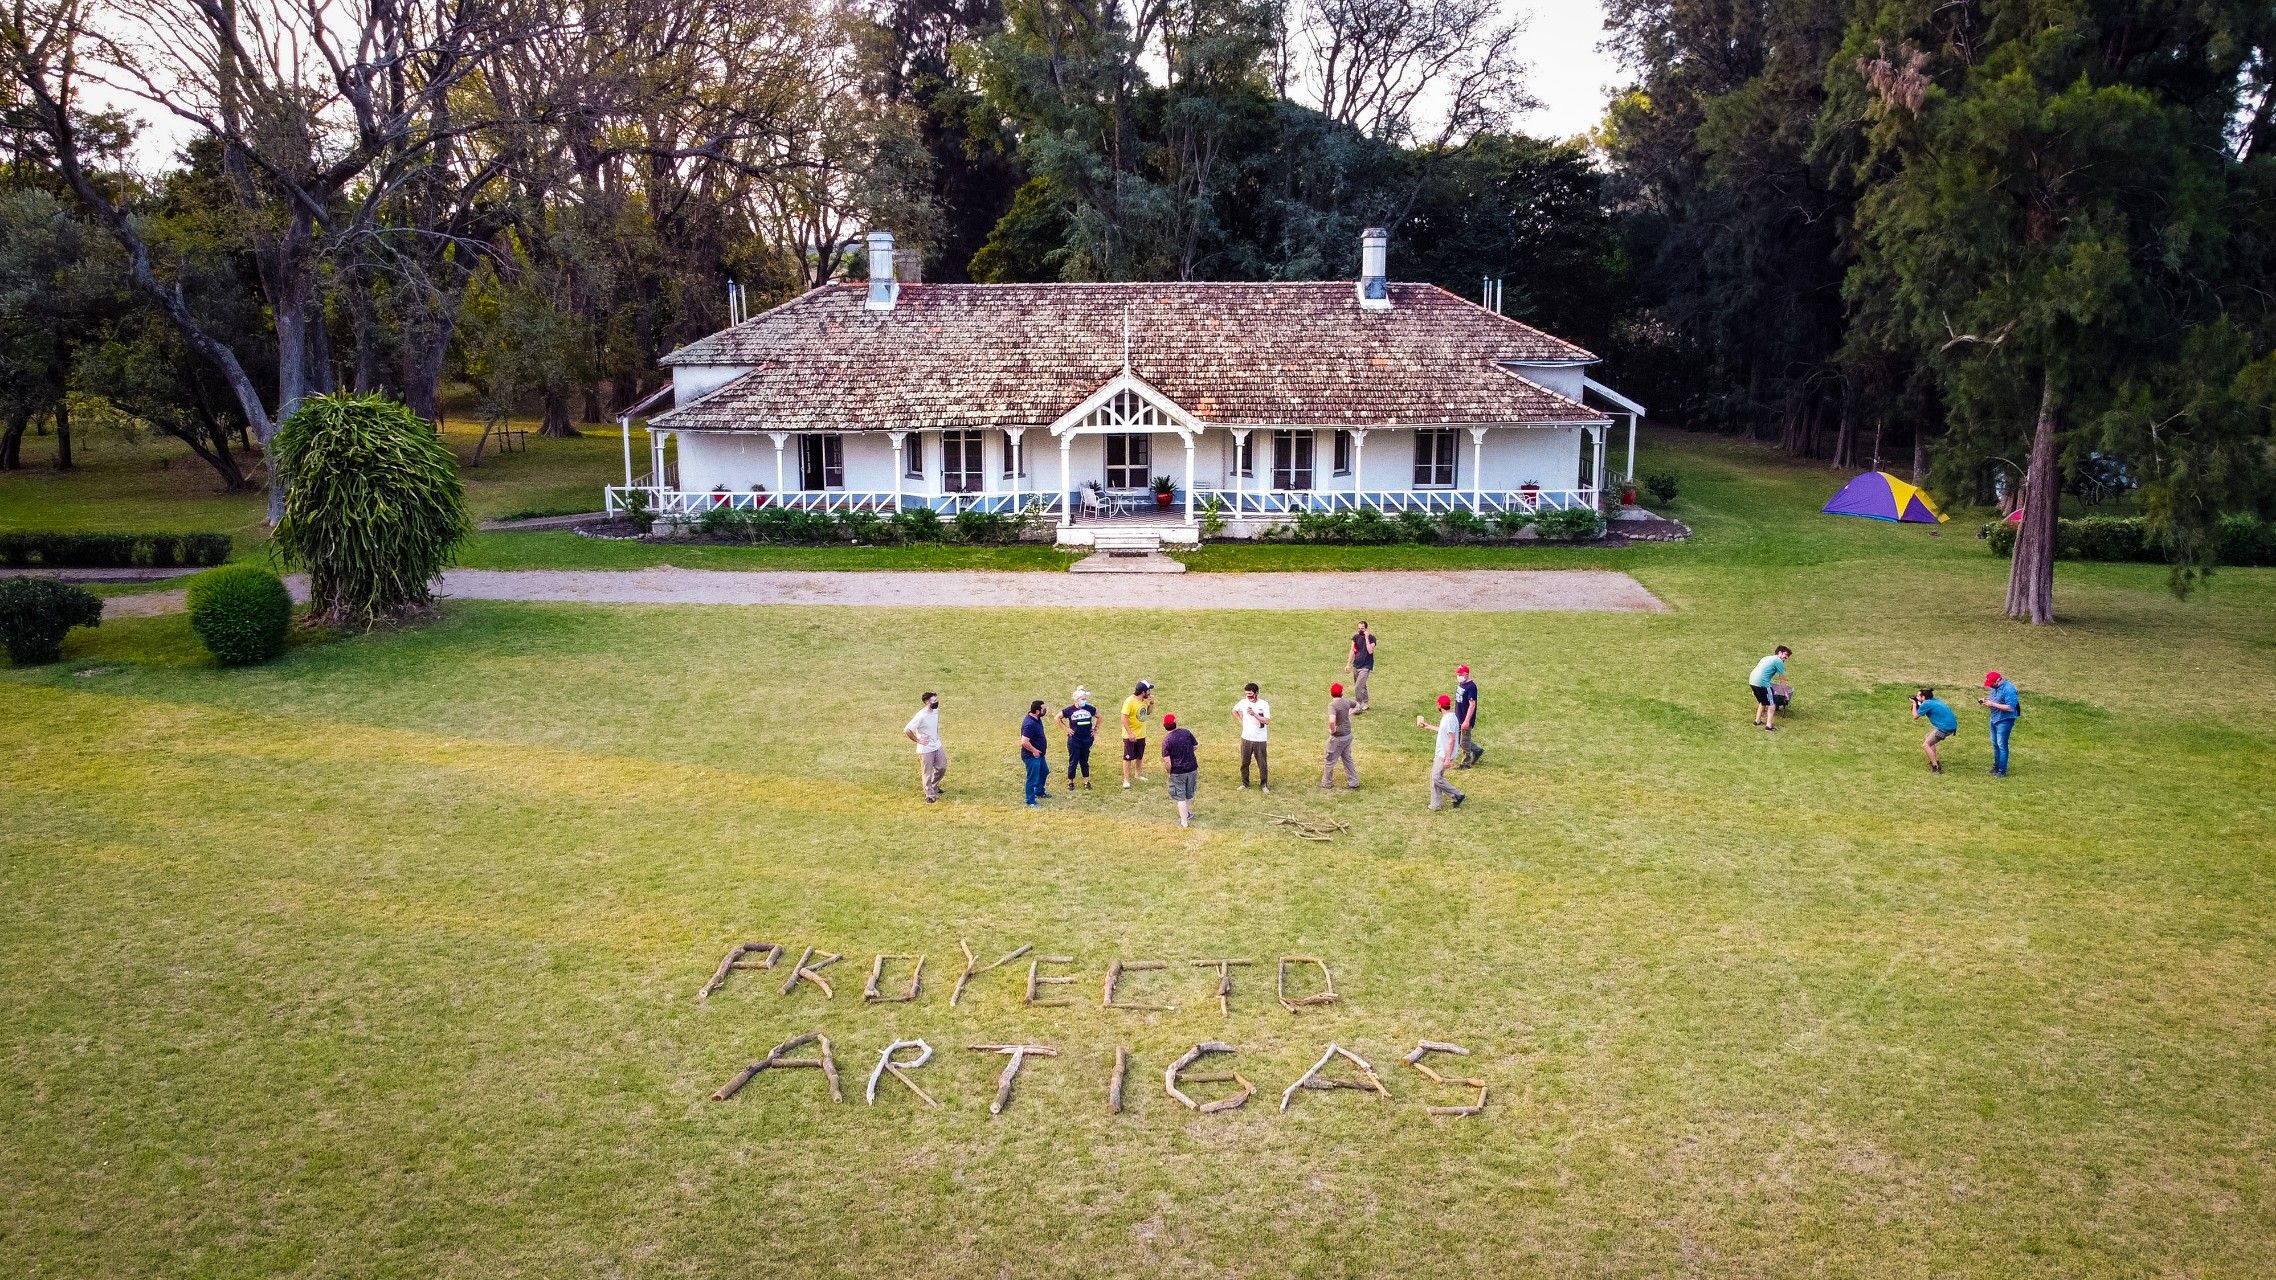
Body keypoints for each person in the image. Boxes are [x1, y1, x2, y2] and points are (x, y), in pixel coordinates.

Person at [1416, 694, 1466, 810]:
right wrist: (1428, 726)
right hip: (1443, 752)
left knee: (1436, 777)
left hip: (1444, 754)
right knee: (1436, 776)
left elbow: (1452, 739)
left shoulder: (1448, 719)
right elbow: (1443, 731)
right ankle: (1435, 804)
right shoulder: (1451, 716)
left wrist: (1448, 758)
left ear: (1439, 705)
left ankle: (1457, 794)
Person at [903, 691, 946, 803]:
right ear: (927, 702)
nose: (936, 702)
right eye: (934, 700)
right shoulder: (921, 716)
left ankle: (934, 786)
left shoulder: (935, 710)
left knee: (942, 767)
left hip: (937, 745)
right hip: (926, 749)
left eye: (936, 699)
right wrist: (918, 740)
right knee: (927, 772)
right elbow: (907, 730)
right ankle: (930, 795)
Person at [1978, 670, 2021, 777]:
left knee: (2002, 745)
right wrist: (1986, 701)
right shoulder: (1994, 687)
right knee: (1995, 744)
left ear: (1998, 680)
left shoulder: (2009, 689)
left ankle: (2002, 770)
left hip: (2005, 720)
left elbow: (2011, 707)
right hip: (1994, 718)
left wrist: (1992, 704)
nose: (1990, 687)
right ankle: (1996, 767)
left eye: (1991, 684)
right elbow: (1996, 700)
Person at [1161, 712, 1200, 828]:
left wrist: (1169, 772)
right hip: (1192, 769)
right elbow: (1196, 746)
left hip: (1178, 772)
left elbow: (1167, 761)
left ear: (1165, 726)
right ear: (1175, 723)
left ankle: (1184, 821)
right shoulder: (1186, 732)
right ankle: (1187, 814)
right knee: (1189, 794)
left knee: (1180, 797)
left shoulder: (1167, 741)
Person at [1058, 687, 1101, 792]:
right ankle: (1070, 782)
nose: (1084, 701)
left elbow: (1100, 717)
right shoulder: (1069, 710)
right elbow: (1057, 717)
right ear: (1076, 699)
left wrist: (1095, 729)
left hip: (1086, 740)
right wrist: (1066, 729)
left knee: (1084, 761)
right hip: (1074, 740)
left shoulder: (1090, 709)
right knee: (1073, 761)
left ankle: (1086, 781)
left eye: (1085, 699)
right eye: (1083, 699)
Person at [1233, 681, 1272, 792]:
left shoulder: (1263, 704)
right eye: (1247, 694)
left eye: (1251, 694)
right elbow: (1234, 711)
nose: (1249, 696)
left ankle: (1264, 784)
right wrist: (1241, 721)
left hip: (1260, 739)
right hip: (1246, 738)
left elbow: (1267, 721)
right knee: (1244, 762)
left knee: (1262, 763)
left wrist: (1254, 714)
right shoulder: (1243, 702)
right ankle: (1245, 783)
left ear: (1256, 693)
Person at [1911, 686, 1959, 774]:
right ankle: (1935, 760)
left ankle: (1935, 767)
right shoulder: (1934, 700)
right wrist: (1918, 702)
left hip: (1945, 728)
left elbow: (1915, 716)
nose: (1917, 697)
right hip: (1951, 725)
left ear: (1923, 697)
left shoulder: (1926, 704)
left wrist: (1914, 704)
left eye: (1918, 696)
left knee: (1926, 745)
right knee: (1928, 739)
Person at [1321, 681, 1359, 789]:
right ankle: (1353, 782)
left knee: (1330, 759)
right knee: (1347, 759)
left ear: (1331, 694)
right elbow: (1357, 705)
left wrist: (1332, 730)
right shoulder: (1346, 702)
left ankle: (1326, 782)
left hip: (1338, 737)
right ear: (1342, 692)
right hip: (1348, 735)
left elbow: (1332, 720)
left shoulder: (1332, 705)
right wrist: (1349, 713)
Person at [1120, 680, 1155, 789]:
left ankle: (1138, 774)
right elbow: (1124, 717)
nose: (1150, 692)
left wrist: (1152, 703)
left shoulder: (1145, 700)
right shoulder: (1129, 701)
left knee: (1139, 755)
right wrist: (1130, 733)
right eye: (1148, 690)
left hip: (1141, 734)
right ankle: (1126, 780)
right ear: (1143, 692)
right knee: (1128, 757)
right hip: (1130, 735)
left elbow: (1148, 713)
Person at [1749, 645, 1792, 731]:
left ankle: (1757, 721)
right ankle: (1768, 726)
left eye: (1788, 656)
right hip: (1762, 683)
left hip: (1752, 681)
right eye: (1785, 655)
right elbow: (1782, 679)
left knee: (1763, 701)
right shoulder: (1778, 661)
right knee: (1772, 704)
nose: (1786, 658)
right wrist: (1786, 693)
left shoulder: (1766, 657)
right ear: (1779, 652)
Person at [1019, 700, 1050, 807]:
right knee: (1032, 778)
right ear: (1037, 711)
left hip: (1039, 755)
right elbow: (1024, 742)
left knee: (1044, 771)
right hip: (1032, 756)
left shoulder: (1037, 719)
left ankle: (1039, 791)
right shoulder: (1030, 724)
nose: (1045, 710)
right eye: (1043, 709)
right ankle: (1030, 801)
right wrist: (1034, 751)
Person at [1453, 663, 1483, 767]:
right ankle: (1477, 750)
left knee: (1464, 741)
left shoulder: (1471, 687)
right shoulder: (1462, 684)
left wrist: (1466, 721)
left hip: (1466, 718)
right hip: (1459, 716)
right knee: (1460, 739)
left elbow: (1472, 704)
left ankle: (1466, 763)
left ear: (1466, 674)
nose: (1458, 676)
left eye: (1460, 674)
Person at [1348, 620, 1377, 713]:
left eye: (1362, 629)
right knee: (1362, 685)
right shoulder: (1355, 638)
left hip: (1366, 665)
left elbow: (1370, 651)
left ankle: (1357, 705)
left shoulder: (1372, 638)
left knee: (1358, 686)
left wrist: (1367, 638)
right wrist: (1348, 663)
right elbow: (1352, 651)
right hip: (1356, 664)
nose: (1360, 630)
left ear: (1366, 629)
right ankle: (1365, 703)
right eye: (1359, 629)